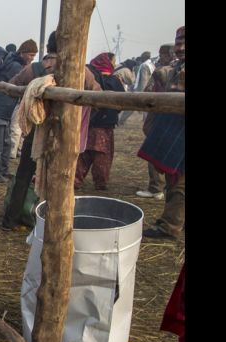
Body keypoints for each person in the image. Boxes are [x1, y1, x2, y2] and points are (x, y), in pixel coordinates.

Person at [1, 31, 101, 231]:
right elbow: (97, 95)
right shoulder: (82, 71)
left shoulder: (35, 69)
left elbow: (11, 87)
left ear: (48, 47)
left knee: (24, 174)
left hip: (36, 132)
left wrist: (31, 96)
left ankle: (10, 220)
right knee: (62, 177)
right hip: (66, 134)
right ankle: (53, 224)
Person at [141, 26, 185, 240]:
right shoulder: (176, 68)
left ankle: (170, 226)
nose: (181, 48)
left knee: (180, 184)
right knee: (173, 180)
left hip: (181, 132)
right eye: (178, 43)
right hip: (175, 131)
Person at [0, 39, 37, 182]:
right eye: (30, 55)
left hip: (4, 112)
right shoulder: (15, 67)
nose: (32, 58)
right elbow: (27, 82)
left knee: (6, 144)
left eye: (33, 56)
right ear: (22, 53)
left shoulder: (15, 64)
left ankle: (3, 172)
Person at [74, 52, 125, 191]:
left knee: (82, 153)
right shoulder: (114, 81)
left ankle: (76, 180)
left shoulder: (88, 76)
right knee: (102, 156)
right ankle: (100, 183)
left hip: (87, 122)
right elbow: (122, 103)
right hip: (105, 125)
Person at [135, 43, 176, 200]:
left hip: (160, 117)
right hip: (175, 120)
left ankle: (155, 188)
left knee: (154, 151)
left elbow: (148, 92)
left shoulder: (162, 71)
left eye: (163, 54)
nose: (161, 57)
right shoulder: (176, 68)